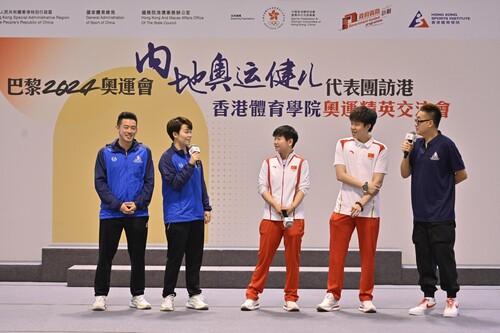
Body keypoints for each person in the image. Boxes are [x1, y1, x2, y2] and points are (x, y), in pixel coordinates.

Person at [317, 106, 388, 314]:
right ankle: (332, 295)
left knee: (368, 256)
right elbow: (341, 175)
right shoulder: (342, 144)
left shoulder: (381, 149)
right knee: (336, 255)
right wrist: (364, 186)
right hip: (342, 208)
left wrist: (361, 202)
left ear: (368, 126)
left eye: (357, 124)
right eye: (352, 123)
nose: (353, 127)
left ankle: (366, 298)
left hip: (369, 211)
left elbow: (377, 184)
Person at [401, 103, 467, 318]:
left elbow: (461, 174)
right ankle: (428, 297)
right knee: (424, 258)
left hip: (442, 215)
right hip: (420, 214)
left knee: (444, 257)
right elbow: (404, 173)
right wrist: (405, 154)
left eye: (419, 121)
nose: (415, 124)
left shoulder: (446, 145)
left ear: (430, 122)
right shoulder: (416, 145)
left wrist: (443, 190)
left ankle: (451, 298)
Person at [241, 125, 310, 312]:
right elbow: (262, 187)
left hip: (294, 218)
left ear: (290, 141)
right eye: (275, 138)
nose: (275, 142)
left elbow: (303, 187)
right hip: (270, 217)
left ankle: (291, 298)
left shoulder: (302, 163)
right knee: (263, 258)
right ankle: (252, 295)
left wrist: (292, 206)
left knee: (293, 260)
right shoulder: (268, 162)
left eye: (279, 138)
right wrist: (276, 206)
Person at [92, 111, 154, 311]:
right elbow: (100, 183)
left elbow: (149, 181)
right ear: (117, 128)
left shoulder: (144, 152)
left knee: (138, 256)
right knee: (105, 255)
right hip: (111, 213)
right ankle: (100, 295)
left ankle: (137, 295)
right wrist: (117, 204)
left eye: (132, 128)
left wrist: (138, 203)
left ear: (137, 129)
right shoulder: (105, 153)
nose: (129, 131)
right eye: (125, 127)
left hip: (138, 213)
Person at [158, 116, 212, 311]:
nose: (189, 135)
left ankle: (194, 295)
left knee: (195, 258)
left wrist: (206, 207)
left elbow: (201, 184)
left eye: (190, 131)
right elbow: (175, 183)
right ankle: (168, 295)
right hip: (177, 215)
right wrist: (190, 163)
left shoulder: (195, 157)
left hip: (196, 215)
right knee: (174, 257)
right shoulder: (167, 158)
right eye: (185, 131)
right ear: (175, 134)